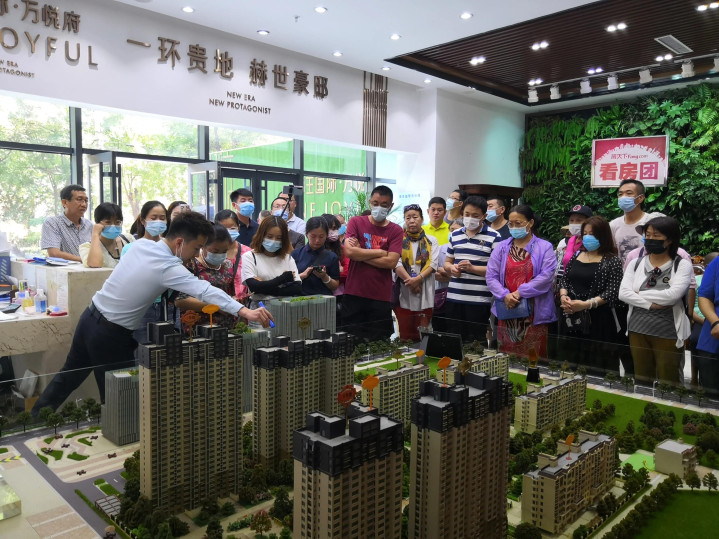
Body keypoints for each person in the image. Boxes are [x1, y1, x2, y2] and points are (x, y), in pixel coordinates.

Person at [32, 211, 272, 414]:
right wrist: (244, 311)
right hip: (110, 334)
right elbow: (204, 290)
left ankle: (36, 417)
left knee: (67, 378)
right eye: (197, 247)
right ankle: (121, 445)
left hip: (90, 318)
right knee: (121, 397)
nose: (196, 253)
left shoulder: (141, 245)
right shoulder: (168, 266)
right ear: (180, 242)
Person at [618, 216, 692, 386]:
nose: (650, 239)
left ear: (670, 239)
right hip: (637, 328)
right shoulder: (635, 263)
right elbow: (623, 293)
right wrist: (651, 304)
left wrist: (638, 293)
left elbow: (672, 296)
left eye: (656, 235)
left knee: (669, 379)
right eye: (648, 235)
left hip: (667, 330)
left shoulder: (681, 265)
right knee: (642, 378)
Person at [486, 205, 557, 360]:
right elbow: (491, 276)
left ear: (530, 223)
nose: (514, 227)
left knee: (534, 357)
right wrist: (505, 295)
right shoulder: (502, 247)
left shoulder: (545, 247)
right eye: (510, 224)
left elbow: (546, 277)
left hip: (535, 311)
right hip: (507, 308)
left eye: (518, 223)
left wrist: (519, 293)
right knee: (506, 358)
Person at [558, 216, 624, 376]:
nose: (587, 237)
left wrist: (586, 304)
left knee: (596, 367)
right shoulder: (577, 255)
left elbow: (612, 291)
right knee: (570, 363)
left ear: (603, 235)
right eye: (585, 233)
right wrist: (563, 296)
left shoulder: (612, 260)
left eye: (592, 234)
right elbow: (565, 279)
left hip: (599, 320)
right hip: (572, 316)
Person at [343, 185, 403, 341]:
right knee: (352, 342)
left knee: (379, 343)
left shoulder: (396, 230)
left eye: (384, 205)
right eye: (375, 203)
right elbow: (349, 252)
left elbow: (391, 262)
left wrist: (360, 252)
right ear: (370, 202)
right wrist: (380, 252)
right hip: (354, 293)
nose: (379, 207)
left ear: (390, 206)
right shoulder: (356, 222)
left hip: (381, 296)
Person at [443, 196, 501, 342]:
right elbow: (447, 262)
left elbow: (496, 270)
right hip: (454, 297)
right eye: (467, 214)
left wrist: (472, 268)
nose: (470, 218)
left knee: (476, 342)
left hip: (479, 300)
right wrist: (452, 268)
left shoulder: (494, 236)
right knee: (453, 340)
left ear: (484, 216)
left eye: (475, 215)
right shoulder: (454, 235)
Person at [175, 225, 239, 330]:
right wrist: (217, 306)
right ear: (203, 246)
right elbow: (180, 300)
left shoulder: (228, 265)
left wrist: (235, 300)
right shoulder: (190, 265)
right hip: (198, 327)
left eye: (224, 251)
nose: (220, 255)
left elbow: (231, 294)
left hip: (227, 327)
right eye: (215, 251)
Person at [241, 216, 302, 318]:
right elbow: (254, 286)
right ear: (261, 235)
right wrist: (283, 279)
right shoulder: (250, 257)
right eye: (269, 236)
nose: (274, 241)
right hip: (260, 311)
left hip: (286, 310)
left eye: (279, 238)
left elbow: (297, 288)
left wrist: (263, 287)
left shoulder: (288, 258)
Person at [394, 204, 439, 341]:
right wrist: (412, 282)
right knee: (405, 333)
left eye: (415, 217)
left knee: (424, 333)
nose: (412, 221)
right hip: (405, 289)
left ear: (422, 219)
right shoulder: (398, 240)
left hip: (425, 289)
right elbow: (396, 263)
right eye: (408, 218)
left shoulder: (431, 240)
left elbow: (433, 264)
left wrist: (418, 279)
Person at [610, 179, 663, 262]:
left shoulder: (652, 221)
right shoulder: (613, 225)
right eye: (620, 194)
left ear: (640, 198)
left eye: (629, 193)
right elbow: (613, 252)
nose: (623, 197)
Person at [41, 184, 93, 261]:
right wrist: (86, 261)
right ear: (65, 202)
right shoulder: (52, 223)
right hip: (67, 269)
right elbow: (54, 254)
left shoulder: (90, 225)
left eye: (86, 201)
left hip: (91, 268)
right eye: (79, 199)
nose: (84, 204)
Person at [292, 216, 340, 296]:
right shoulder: (296, 254)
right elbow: (287, 281)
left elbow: (335, 286)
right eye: (313, 236)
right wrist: (302, 276)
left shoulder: (332, 257)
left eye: (321, 236)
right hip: (299, 300)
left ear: (326, 235)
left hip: (323, 301)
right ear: (307, 234)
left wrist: (324, 277)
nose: (317, 240)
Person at [691, 252, 718, 388]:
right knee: (711, 388)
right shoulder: (716, 264)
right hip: (713, 336)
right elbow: (705, 296)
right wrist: (715, 322)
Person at [432, 219, 463, 332]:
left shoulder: (468, 251)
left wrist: (446, 273)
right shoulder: (440, 249)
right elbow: (435, 274)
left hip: (461, 296)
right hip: (441, 297)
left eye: (457, 230)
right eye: (451, 230)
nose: (453, 233)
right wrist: (453, 275)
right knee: (440, 329)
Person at [80, 202, 132, 268]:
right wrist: (95, 234)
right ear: (98, 223)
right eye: (108, 222)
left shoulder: (128, 239)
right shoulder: (86, 247)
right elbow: (95, 264)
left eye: (117, 222)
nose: (113, 226)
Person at [214, 209, 252, 300]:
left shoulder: (248, 253)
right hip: (215, 303)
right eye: (223, 228)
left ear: (238, 227)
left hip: (242, 304)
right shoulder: (210, 253)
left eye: (232, 228)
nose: (227, 232)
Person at [557, 205, 593, 273]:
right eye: (571, 220)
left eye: (579, 220)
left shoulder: (592, 241)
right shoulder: (571, 240)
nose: (574, 224)